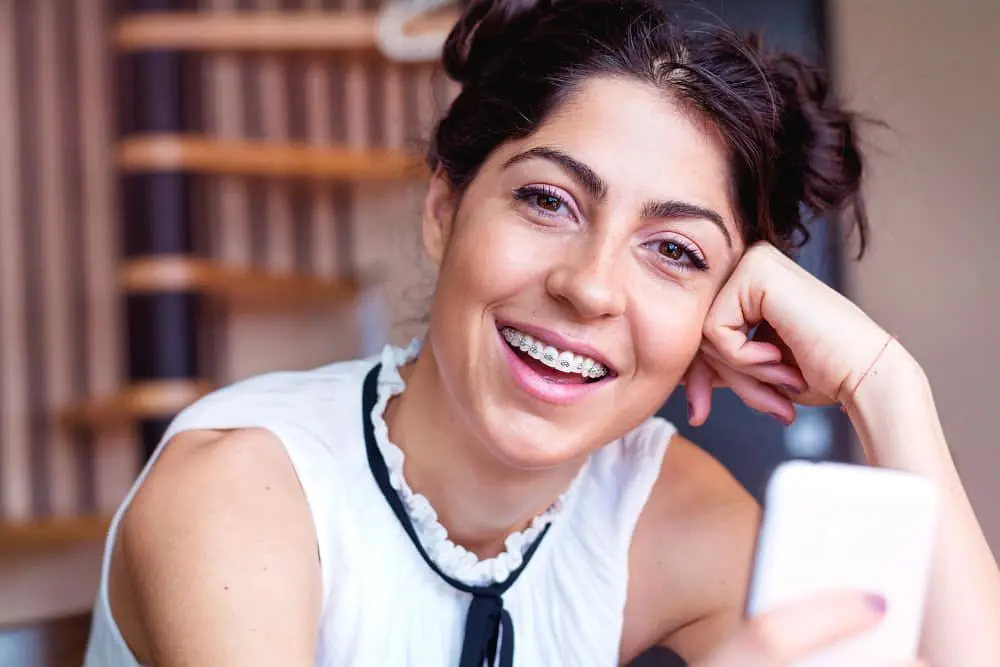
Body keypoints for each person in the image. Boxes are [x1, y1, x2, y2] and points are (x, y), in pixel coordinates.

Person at [85, 0, 1000, 665]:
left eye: (675, 251)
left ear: (720, 310)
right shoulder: (241, 492)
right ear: (445, 208)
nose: (590, 285)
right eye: (547, 199)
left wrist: (888, 385)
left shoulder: (660, 513)